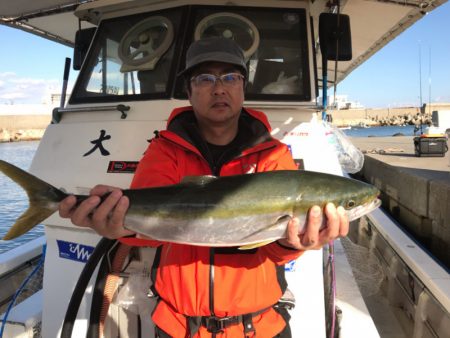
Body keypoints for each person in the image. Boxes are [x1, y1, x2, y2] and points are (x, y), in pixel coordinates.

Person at [59, 37, 349, 337]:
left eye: (231, 77)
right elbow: (148, 233)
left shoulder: (274, 155)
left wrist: (293, 243)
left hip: (259, 327)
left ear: (242, 87)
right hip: (178, 327)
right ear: (189, 91)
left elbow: (276, 252)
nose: (219, 88)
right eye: (205, 78)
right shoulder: (164, 150)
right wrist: (119, 228)